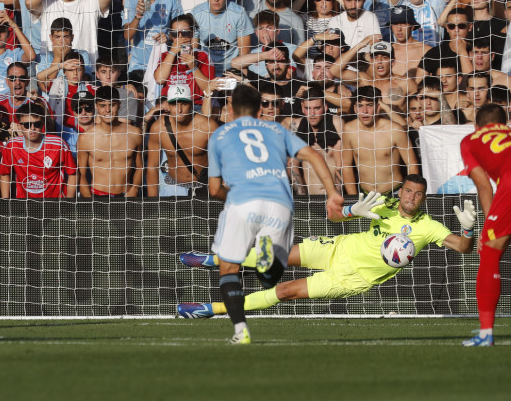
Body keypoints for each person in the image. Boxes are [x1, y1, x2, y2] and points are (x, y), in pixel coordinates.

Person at [177, 176, 474, 321]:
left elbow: (463, 248)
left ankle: (210, 309)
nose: (411, 197)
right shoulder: (385, 204)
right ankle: (213, 259)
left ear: (423, 198)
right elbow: (332, 215)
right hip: (339, 247)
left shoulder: (429, 226)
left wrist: (468, 228)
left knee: (284, 291)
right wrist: (351, 211)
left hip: (353, 277)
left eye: (418, 194)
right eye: (408, 191)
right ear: (401, 191)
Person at [180, 84, 343, 345]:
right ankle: (268, 257)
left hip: (243, 201)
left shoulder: (220, 136)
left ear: (231, 109)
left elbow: (213, 189)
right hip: (278, 201)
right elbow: (312, 155)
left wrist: (229, 196)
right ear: (259, 109)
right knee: (270, 277)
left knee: (229, 267)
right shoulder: (276, 129)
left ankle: (240, 330)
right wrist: (332, 192)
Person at [459, 103, 511, 346]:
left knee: (489, 253)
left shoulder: (470, 140)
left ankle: (486, 333)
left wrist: (489, 225)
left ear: (476, 125)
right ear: (505, 124)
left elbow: (483, 185)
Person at [340, 86, 420, 195]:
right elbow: (346, 166)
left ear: (378, 107)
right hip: (365, 195)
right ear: (355, 109)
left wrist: (407, 194)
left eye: (369, 105)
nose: (365, 111)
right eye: (360, 106)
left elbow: (412, 165)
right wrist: (353, 198)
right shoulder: (349, 130)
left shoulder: (394, 130)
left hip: (394, 192)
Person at [145, 84, 219, 197]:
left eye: (184, 104)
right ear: (168, 105)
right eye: (174, 104)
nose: (179, 109)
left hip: (203, 188)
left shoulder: (208, 126)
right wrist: (153, 203)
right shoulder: (158, 128)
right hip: (173, 187)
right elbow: (152, 167)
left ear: (191, 104)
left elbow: (223, 163)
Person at [0, 101, 76, 199]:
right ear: (19, 126)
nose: (32, 128)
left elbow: (73, 173)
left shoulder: (58, 145)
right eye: (27, 125)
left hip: (55, 204)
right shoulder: (12, 146)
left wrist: (68, 202)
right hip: (24, 204)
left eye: (37, 124)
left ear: (43, 124)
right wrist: (5, 201)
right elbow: (4, 173)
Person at [76, 86, 143, 197]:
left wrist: (135, 189)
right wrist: (89, 202)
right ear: (96, 107)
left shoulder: (134, 134)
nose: (107, 110)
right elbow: (81, 175)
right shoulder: (85, 138)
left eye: (112, 105)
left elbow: (140, 167)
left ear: (119, 105)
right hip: (97, 196)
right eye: (103, 106)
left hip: (126, 195)